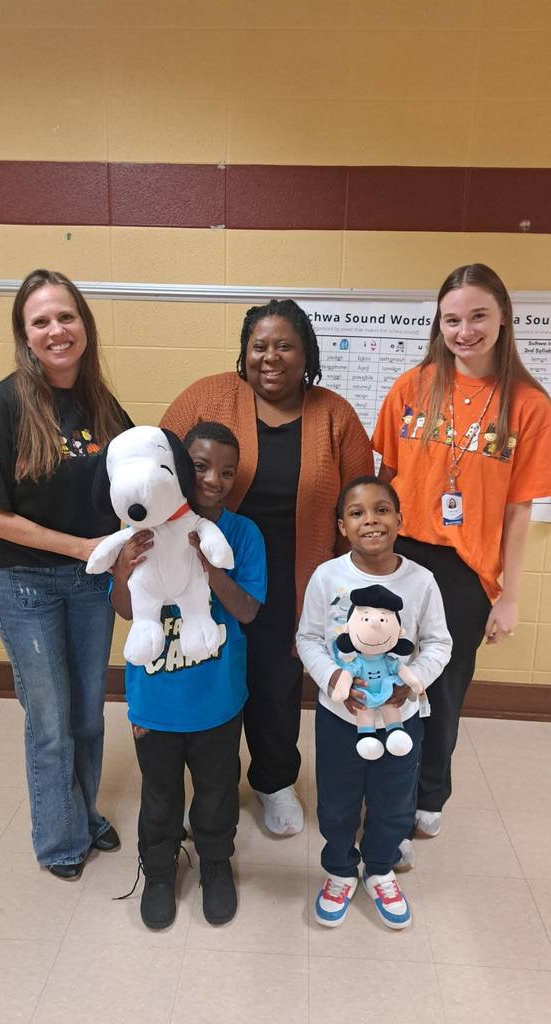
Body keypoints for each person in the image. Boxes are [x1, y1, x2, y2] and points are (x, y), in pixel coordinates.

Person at [161, 299, 373, 837]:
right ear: (244, 351)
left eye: (285, 346)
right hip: (203, 572)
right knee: (205, 672)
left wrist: (356, 583)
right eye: (259, 346)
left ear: (307, 354)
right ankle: (207, 786)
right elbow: (156, 467)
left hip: (294, 577)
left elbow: (360, 503)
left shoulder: (335, 415)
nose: (270, 357)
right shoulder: (207, 397)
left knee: (277, 684)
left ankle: (274, 781)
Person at [373, 263, 551, 839]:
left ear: (503, 318)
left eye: (478, 316)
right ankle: (384, 787)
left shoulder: (528, 405)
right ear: (439, 324)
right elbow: (386, 479)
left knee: (442, 690)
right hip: (400, 555)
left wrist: (508, 597)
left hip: (465, 570)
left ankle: (429, 794)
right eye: (452, 319)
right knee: (384, 677)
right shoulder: (412, 386)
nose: (464, 331)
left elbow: (519, 509)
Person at [0, 268, 132, 879]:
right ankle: (60, 842)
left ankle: (82, 814)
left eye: (66, 316)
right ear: (25, 335)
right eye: (40, 321)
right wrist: (81, 546)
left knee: (88, 714)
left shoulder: (101, 404)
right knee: (50, 723)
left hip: (90, 583)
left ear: (84, 324)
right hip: (25, 584)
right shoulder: (2, 405)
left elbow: (133, 482)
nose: (56, 330)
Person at [111, 422, 266, 929]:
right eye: (200, 466)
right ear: (179, 467)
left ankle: (215, 862)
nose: (213, 480)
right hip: (155, 699)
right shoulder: (142, 525)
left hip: (217, 698)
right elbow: (126, 609)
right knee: (159, 791)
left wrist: (210, 567)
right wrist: (121, 570)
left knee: (217, 788)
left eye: (227, 471)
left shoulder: (241, 534)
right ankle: (159, 869)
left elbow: (247, 611)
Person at [296, 477, 451, 929]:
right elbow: (308, 639)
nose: (371, 521)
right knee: (337, 801)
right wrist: (335, 679)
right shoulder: (328, 577)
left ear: (399, 520)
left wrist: (414, 681)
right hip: (341, 717)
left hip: (402, 719)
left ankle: (380, 869)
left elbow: (438, 642)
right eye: (357, 513)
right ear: (341, 526)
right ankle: (340, 871)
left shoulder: (421, 581)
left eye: (382, 510)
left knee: (395, 801)